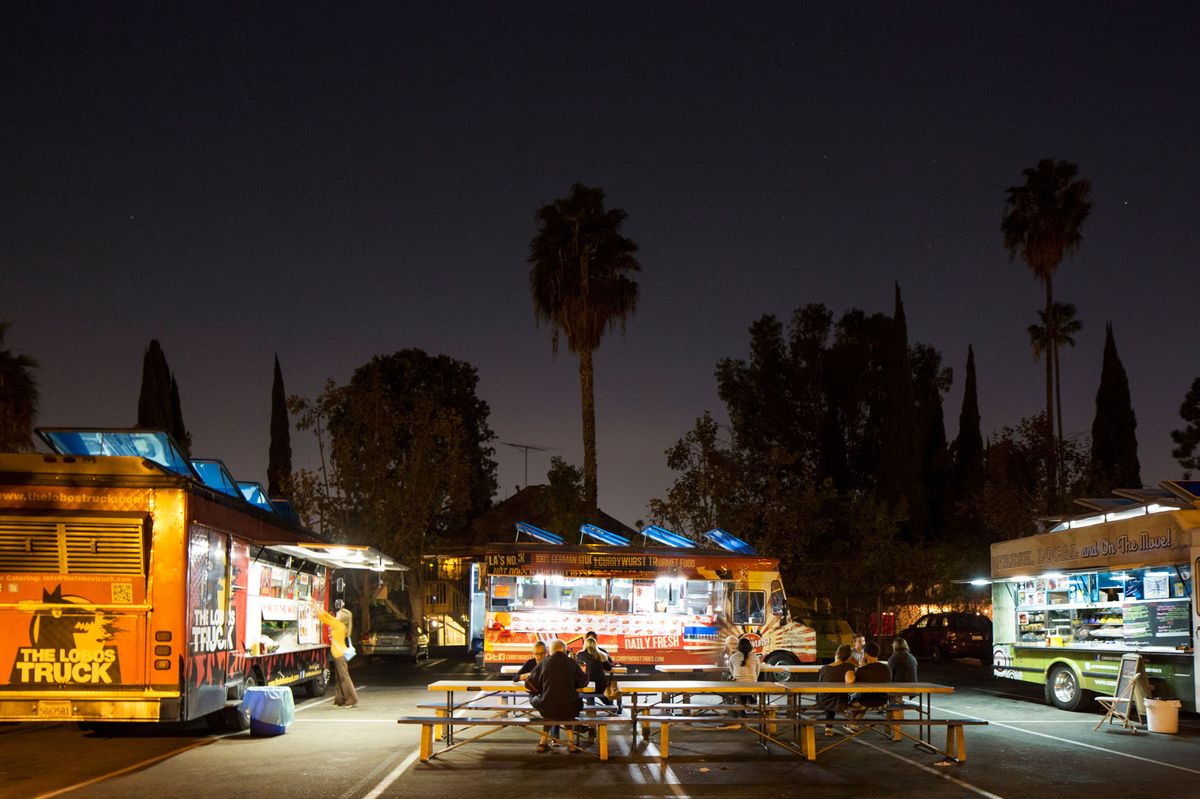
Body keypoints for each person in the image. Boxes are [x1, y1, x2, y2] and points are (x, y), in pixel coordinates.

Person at [525, 639, 588, 753]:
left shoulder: (544, 662)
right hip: (570, 708)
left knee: (539, 698)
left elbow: (529, 683)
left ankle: (542, 743)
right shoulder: (572, 662)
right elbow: (584, 682)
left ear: (550, 651)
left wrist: (540, 690)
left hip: (548, 708)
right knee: (569, 700)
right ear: (565, 651)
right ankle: (571, 743)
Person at [313, 603, 358, 708]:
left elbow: (325, 619)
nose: (337, 613)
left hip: (340, 655)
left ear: (343, 618)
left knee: (344, 677)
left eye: (339, 613)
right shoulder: (338, 624)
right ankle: (340, 699)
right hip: (338, 655)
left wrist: (315, 607)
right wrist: (315, 606)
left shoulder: (338, 625)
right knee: (339, 678)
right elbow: (327, 616)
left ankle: (351, 699)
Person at [846, 640, 891, 723]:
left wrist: (860, 666)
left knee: (852, 697)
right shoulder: (887, 668)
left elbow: (853, 685)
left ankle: (852, 722)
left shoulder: (861, 670)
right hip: (883, 702)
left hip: (864, 702)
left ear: (865, 654)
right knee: (859, 696)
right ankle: (854, 723)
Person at [816, 644, 856, 737]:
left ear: (836, 653)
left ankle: (828, 727)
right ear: (848, 657)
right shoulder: (848, 666)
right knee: (851, 696)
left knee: (831, 694)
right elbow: (850, 681)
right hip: (839, 701)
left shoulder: (824, 668)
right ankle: (852, 722)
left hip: (822, 700)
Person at [727, 636, 760, 711]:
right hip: (752, 685)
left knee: (740, 686)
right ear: (750, 647)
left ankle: (742, 710)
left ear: (738, 647)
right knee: (747, 686)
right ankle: (750, 700)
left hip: (738, 685)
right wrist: (753, 679)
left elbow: (732, 672)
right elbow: (757, 672)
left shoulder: (733, 657)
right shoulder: (755, 657)